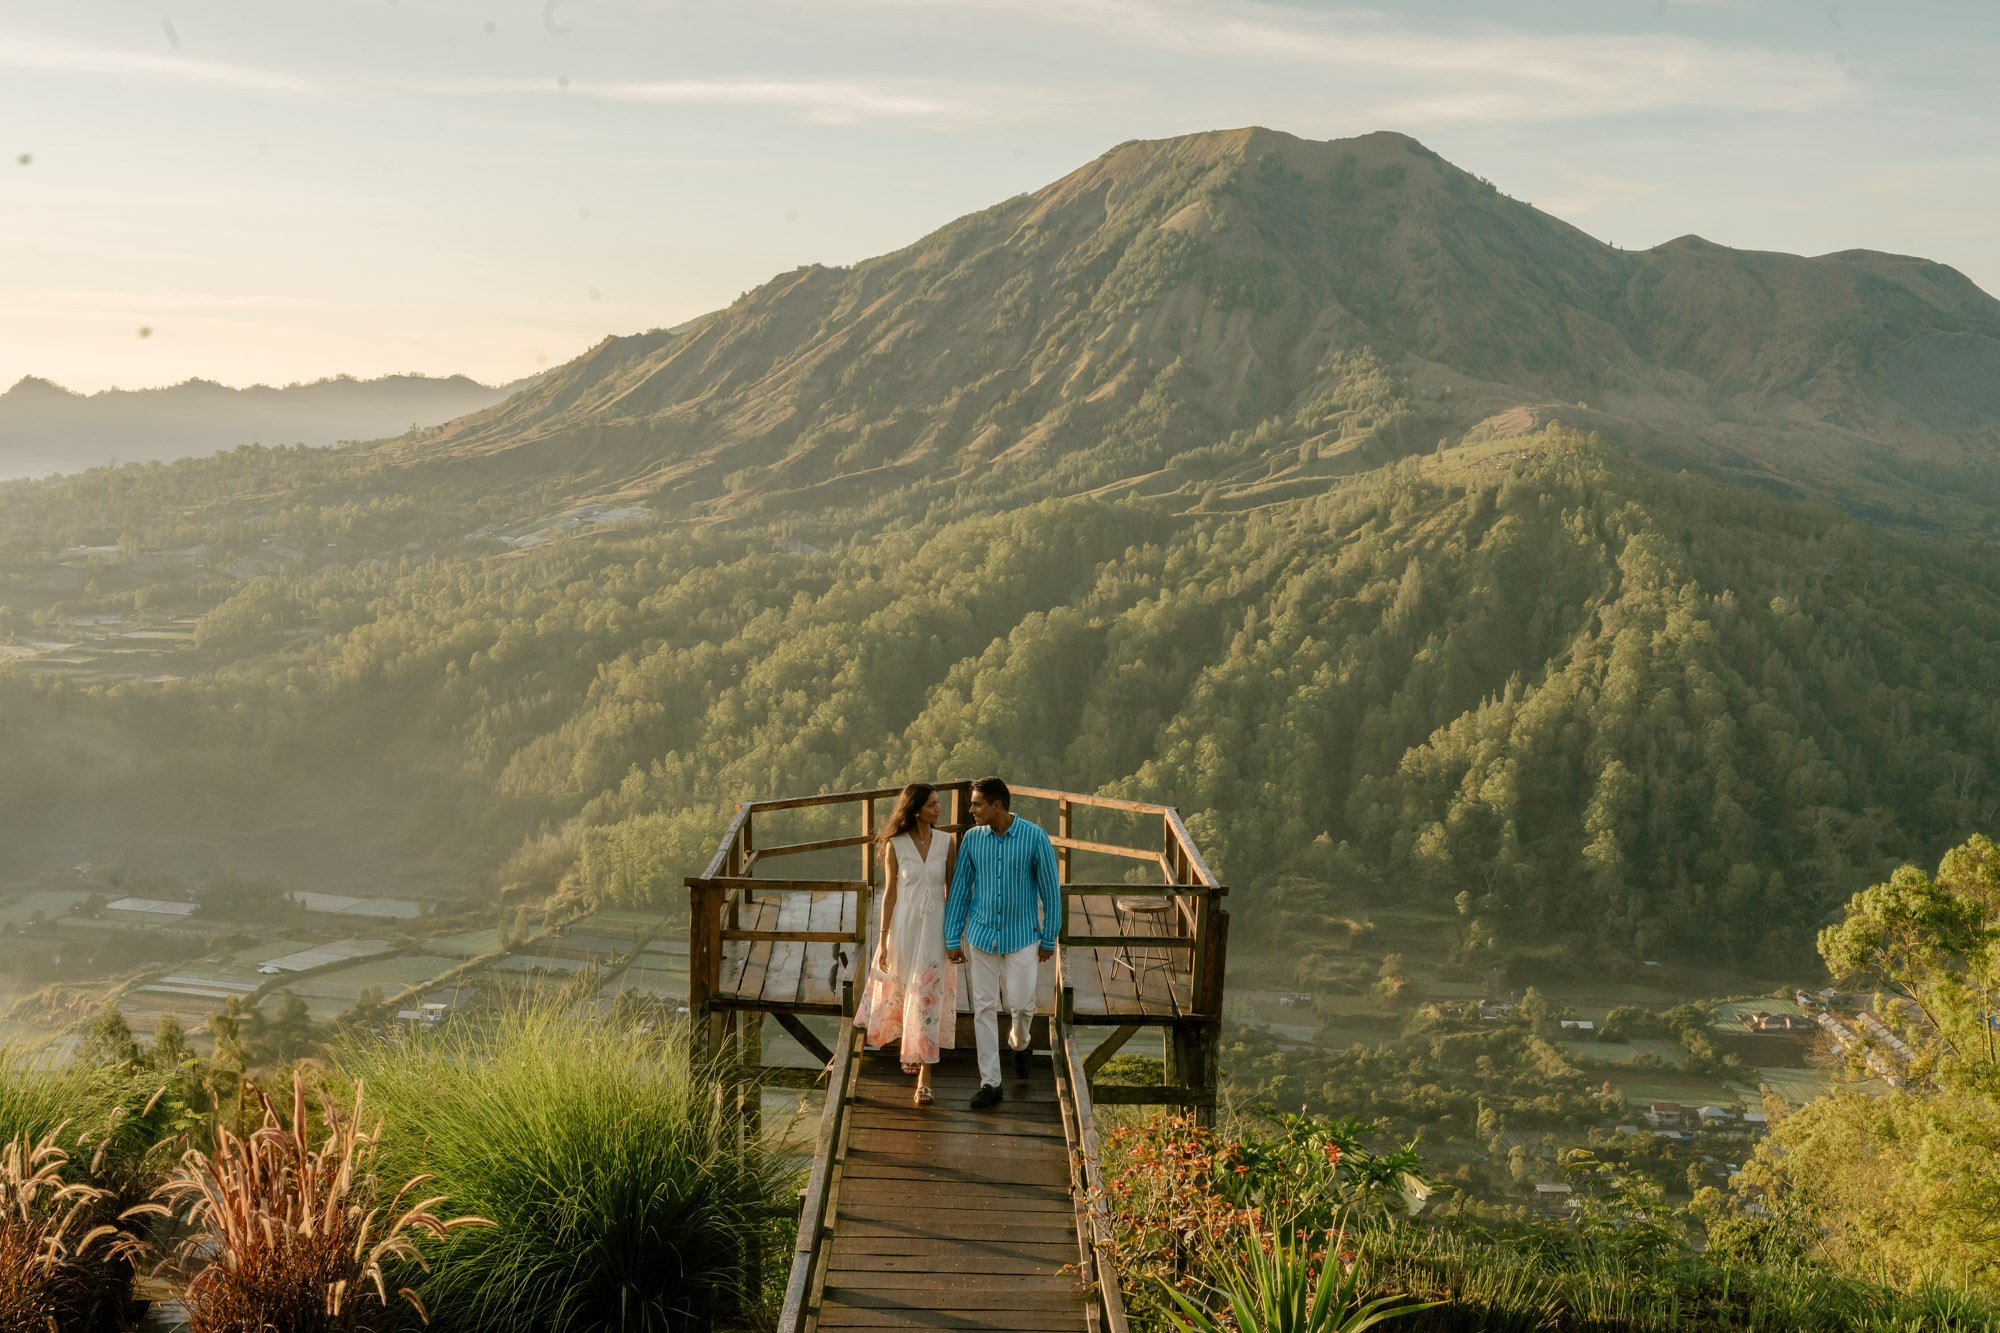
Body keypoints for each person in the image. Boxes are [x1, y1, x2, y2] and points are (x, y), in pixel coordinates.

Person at [944, 775, 1061, 1109]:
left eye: (977, 804)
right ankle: (990, 1083)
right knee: (983, 1008)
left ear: (997, 805)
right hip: (980, 936)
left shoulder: (1035, 837)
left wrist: (1049, 937)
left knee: (1022, 1005)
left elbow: (1050, 892)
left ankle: (1020, 1042)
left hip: (1023, 936)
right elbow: (961, 889)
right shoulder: (972, 839)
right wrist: (952, 936)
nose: (972, 810)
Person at [854, 782, 957, 1104]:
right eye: (932, 805)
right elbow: (890, 894)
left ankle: (926, 1077)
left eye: (939, 804)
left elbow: (951, 892)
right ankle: (908, 1050)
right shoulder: (896, 844)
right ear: (915, 810)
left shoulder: (947, 842)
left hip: (935, 928)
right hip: (903, 926)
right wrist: (882, 940)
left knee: (928, 995)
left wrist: (955, 936)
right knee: (905, 989)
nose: (939, 810)